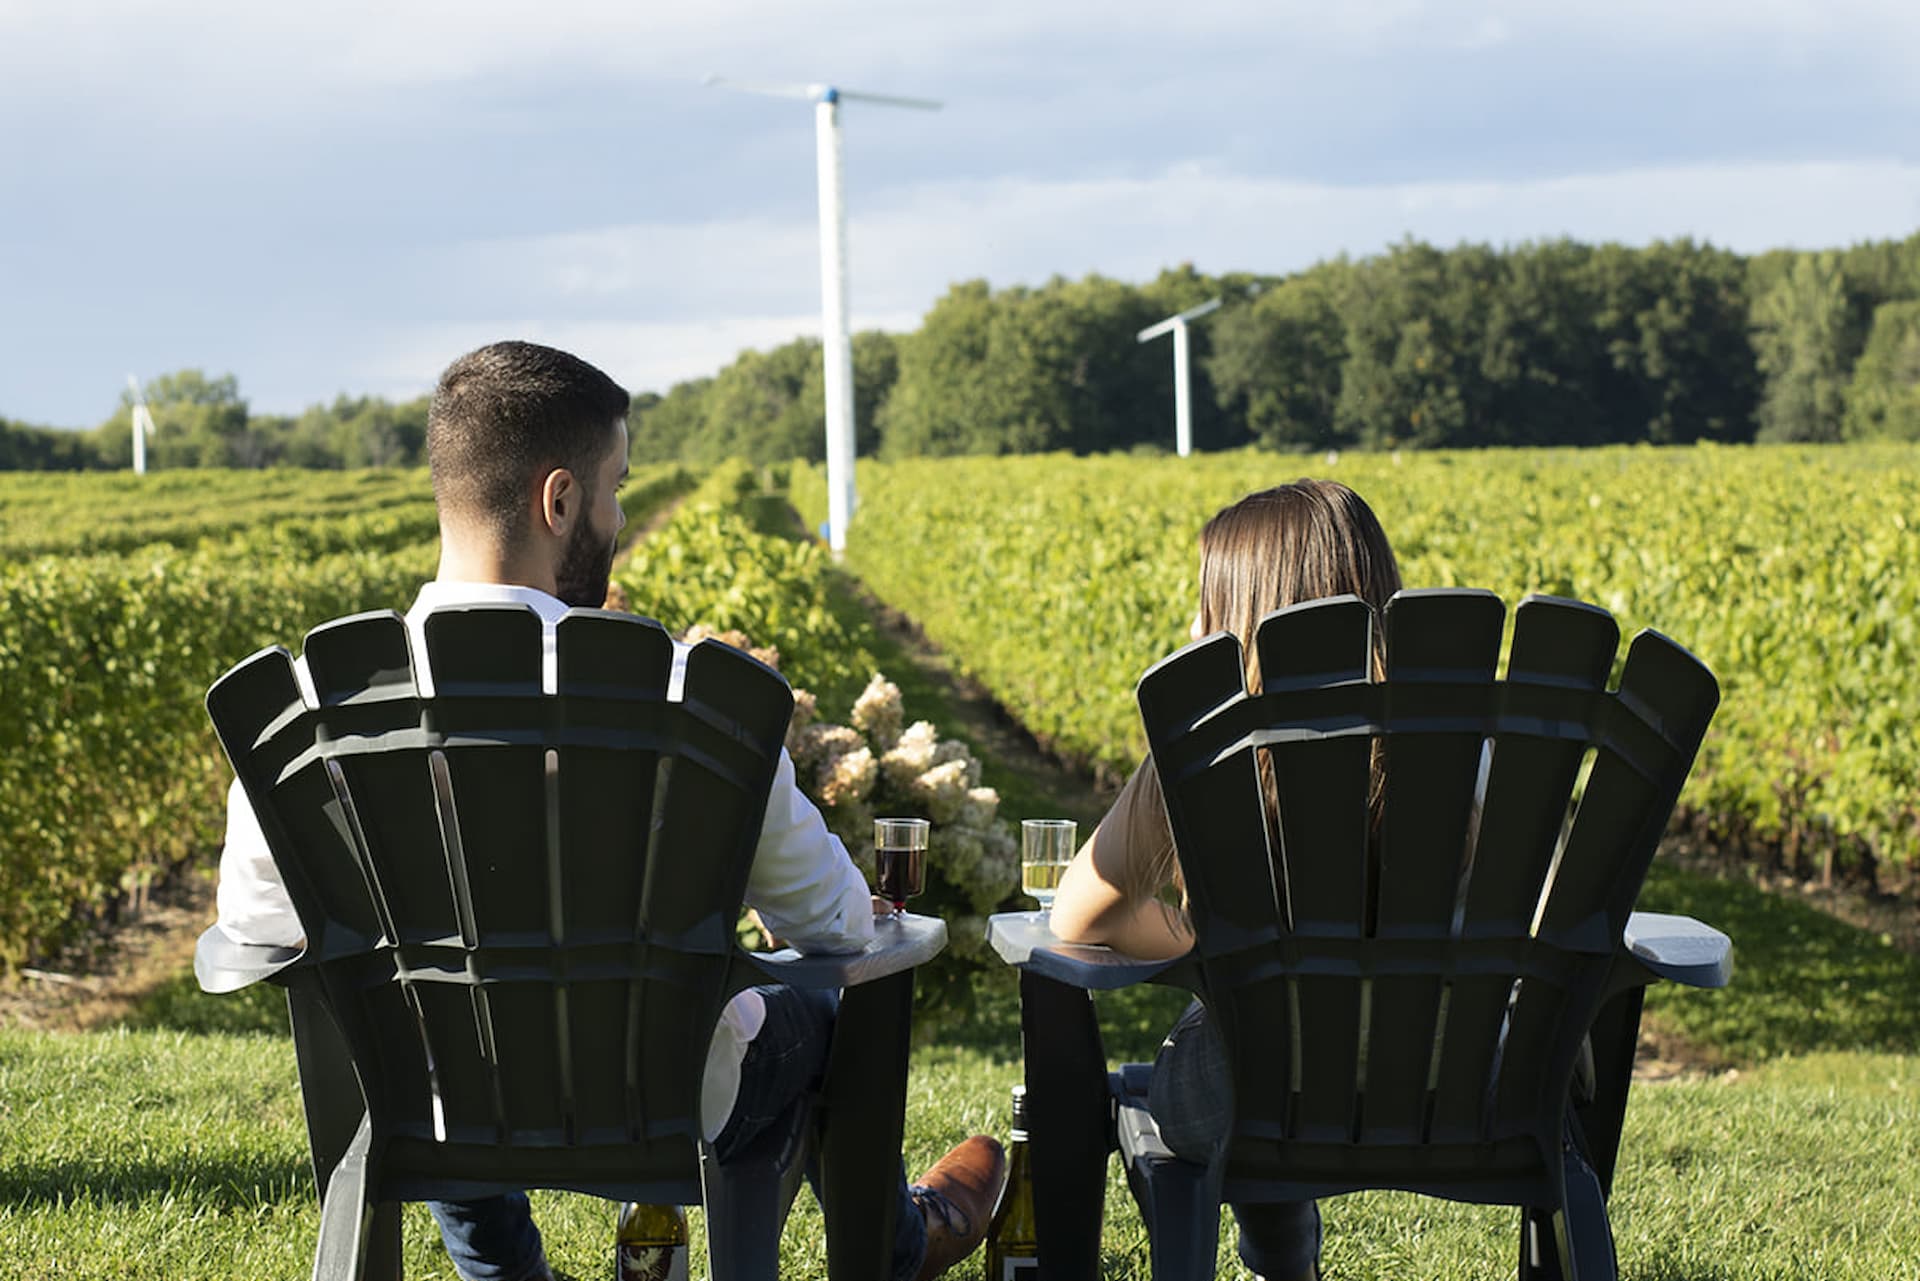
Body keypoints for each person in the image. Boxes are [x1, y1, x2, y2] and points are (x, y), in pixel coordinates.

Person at [211, 340, 1005, 1281]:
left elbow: (255, 933)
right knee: (821, 1019)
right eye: (615, 487)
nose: (620, 516)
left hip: (421, 1094)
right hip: (667, 1093)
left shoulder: (313, 715)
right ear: (558, 501)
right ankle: (905, 1242)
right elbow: (831, 922)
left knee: (441, 1037)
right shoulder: (689, 698)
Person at [1048, 478, 1403, 1281]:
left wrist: (1219, 947)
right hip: (1470, 1079)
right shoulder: (1472, 732)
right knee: (1268, 1049)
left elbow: (1078, 913)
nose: (1191, 624)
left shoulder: (1202, 743)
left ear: (1239, 615)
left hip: (1256, 1089)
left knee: (1208, 1069)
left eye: (1203, 601)